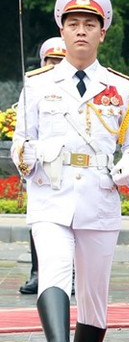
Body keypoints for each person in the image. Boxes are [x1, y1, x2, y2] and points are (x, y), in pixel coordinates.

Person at [12, 0, 129, 342]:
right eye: (73, 24)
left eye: (90, 24)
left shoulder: (121, 87)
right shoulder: (37, 84)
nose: (81, 32)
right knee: (53, 267)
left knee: (93, 294)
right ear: (62, 29)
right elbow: (19, 142)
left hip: (98, 196)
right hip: (51, 194)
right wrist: (25, 156)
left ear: (103, 31)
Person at [19, 37, 68, 296]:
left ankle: (68, 275)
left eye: (60, 60)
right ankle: (37, 272)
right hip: (42, 169)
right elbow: (25, 131)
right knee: (41, 224)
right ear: (43, 61)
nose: (55, 65)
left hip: (70, 169)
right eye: (51, 60)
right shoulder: (34, 85)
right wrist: (24, 156)